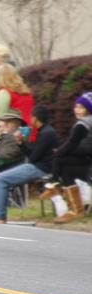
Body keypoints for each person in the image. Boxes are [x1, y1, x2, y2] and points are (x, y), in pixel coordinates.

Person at [0, 105, 57, 224]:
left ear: (34, 118)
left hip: (40, 168)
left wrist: (23, 144)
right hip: (39, 165)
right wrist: (21, 143)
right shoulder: (45, 131)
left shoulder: (46, 134)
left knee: (1, 178)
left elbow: (33, 157)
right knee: (2, 178)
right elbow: (33, 153)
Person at [41, 92, 92, 223]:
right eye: (76, 107)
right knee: (63, 164)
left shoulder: (83, 124)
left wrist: (58, 152)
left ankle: (55, 187)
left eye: (81, 107)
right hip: (86, 159)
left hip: (88, 161)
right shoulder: (85, 122)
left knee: (59, 159)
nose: (77, 110)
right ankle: (57, 188)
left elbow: (72, 144)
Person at [0, 63, 34, 135]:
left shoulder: (4, 93)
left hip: (14, 133)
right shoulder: (26, 93)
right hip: (28, 130)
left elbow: (0, 117)